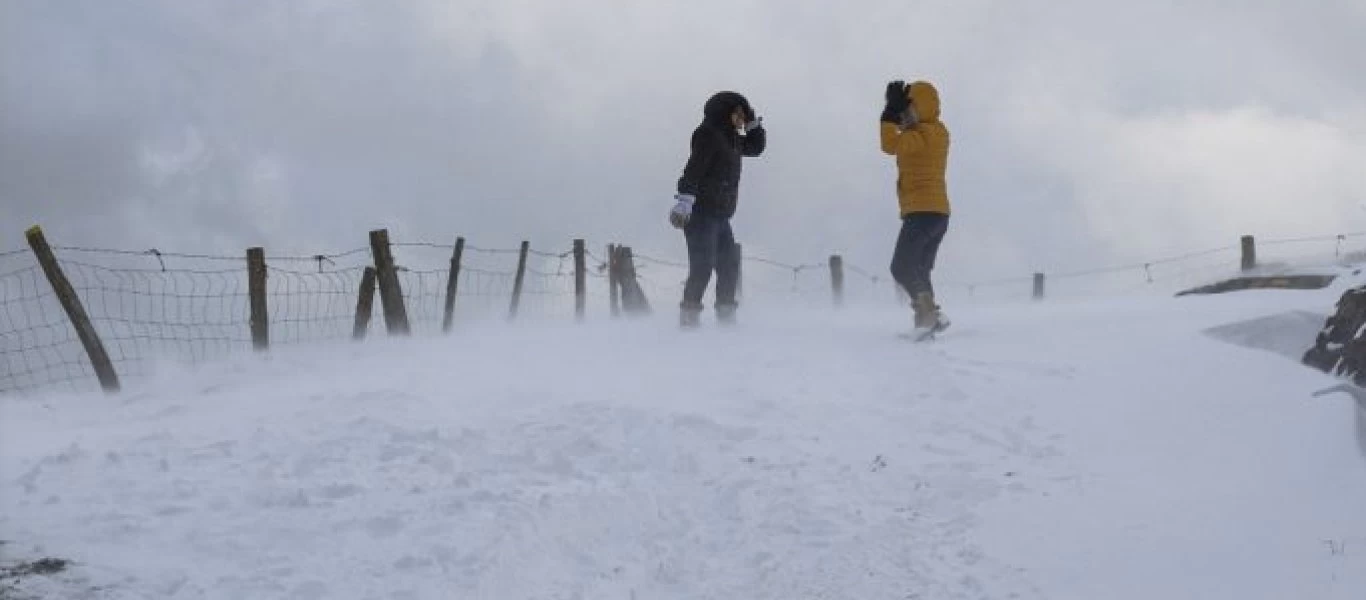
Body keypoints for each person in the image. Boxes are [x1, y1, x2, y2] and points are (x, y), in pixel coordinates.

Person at [669, 91, 766, 328]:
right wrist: (684, 203)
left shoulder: (731, 138)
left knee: (728, 266)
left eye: (744, 114)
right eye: (739, 113)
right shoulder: (708, 135)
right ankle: (689, 322)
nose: (741, 119)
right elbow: (693, 170)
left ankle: (726, 321)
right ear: (725, 112)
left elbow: (755, 148)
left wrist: (753, 120)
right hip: (701, 214)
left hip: (721, 216)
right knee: (702, 267)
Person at [880, 79, 951, 339]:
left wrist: (888, 114)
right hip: (938, 214)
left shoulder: (920, 135)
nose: (904, 114)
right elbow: (905, 132)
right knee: (919, 269)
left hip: (922, 213)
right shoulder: (938, 132)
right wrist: (898, 111)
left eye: (909, 108)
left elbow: (889, 145)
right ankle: (928, 320)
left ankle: (929, 315)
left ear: (921, 108)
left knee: (901, 266)